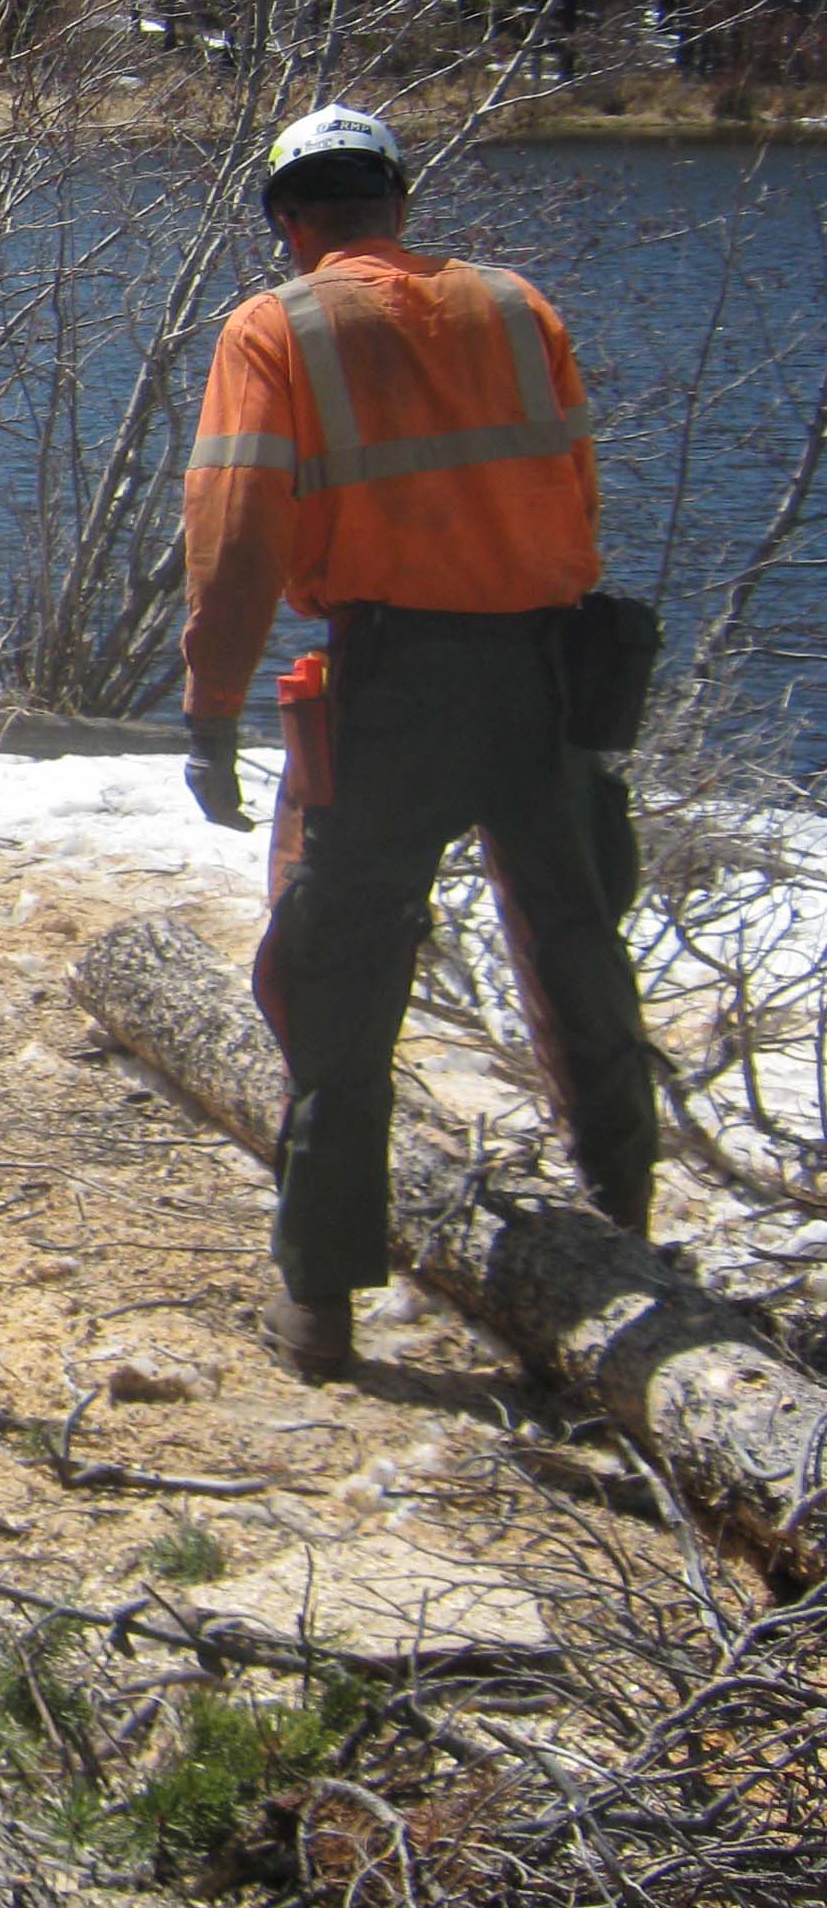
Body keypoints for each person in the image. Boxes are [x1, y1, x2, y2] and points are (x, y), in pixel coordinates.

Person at [179, 103, 658, 1382]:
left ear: (288, 223)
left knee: (339, 981)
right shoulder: (515, 306)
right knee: (577, 944)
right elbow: (573, 494)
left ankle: (319, 1303)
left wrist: (211, 710)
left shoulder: (274, 327)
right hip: (546, 677)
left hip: (389, 695)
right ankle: (626, 1231)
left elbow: (234, 545)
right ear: (396, 202)